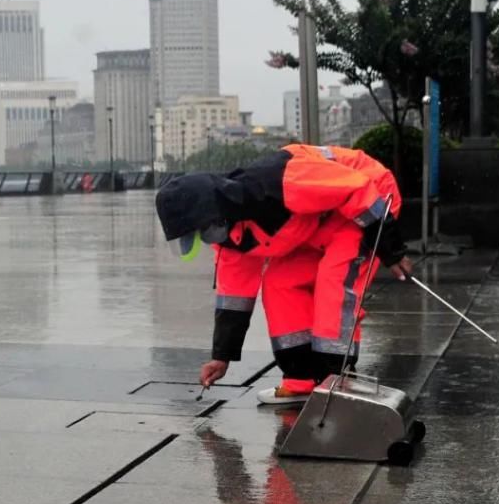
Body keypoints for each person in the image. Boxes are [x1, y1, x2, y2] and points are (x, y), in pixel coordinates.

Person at [156, 143, 412, 405]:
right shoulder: (229, 237)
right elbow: (234, 297)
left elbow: (357, 189)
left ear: (217, 213)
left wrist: (391, 250)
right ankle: (301, 379)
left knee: (334, 282)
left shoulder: (280, 182)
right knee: (279, 283)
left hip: (369, 198)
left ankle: (337, 378)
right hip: (319, 220)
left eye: (204, 231)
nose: (209, 239)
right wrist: (221, 356)